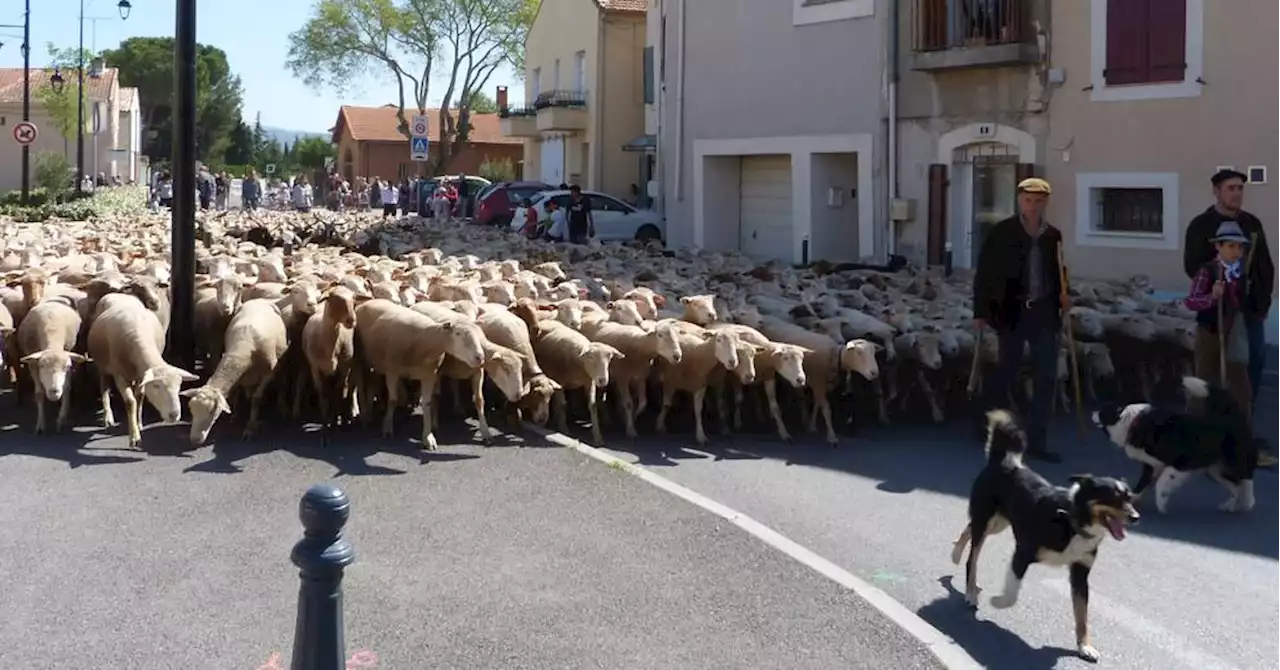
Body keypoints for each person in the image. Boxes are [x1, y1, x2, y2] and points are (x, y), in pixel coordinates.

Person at [1184, 168, 1276, 466]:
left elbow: (1265, 267)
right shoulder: (1202, 225)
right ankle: (1198, 439)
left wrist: (1260, 306)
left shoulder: (1251, 224)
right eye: (1231, 188)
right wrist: (1214, 290)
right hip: (1214, 314)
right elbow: (1192, 266)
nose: (1236, 193)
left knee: (1248, 371)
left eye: (1240, 188)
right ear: (1216, 191)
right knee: (1206, 376)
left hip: (1246, 314)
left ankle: (1240, 436)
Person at [972, 177, 1066, 463]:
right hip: (1010, 311)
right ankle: (994, 430)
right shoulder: (1002, 232)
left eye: (1038, 201)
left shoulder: (1053, 236)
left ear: (1046, 202)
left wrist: (1065, 294)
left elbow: (1060, 271)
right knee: (1006, 372)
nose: (1033, 206)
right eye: (1028, 200)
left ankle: (1037, 441)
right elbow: (985, 273)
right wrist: (980, 311)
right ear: (1019, 201)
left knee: (1047, 375)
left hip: (1044, 312)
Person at [1184, 221, 1255, 417]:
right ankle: (1194, 428)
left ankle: (1240, 432)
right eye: (1231, 246)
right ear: (1218, 246)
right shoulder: (1208, 271)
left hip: (1232, 333)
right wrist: (1212, 297)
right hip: (1209, 333)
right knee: (1203, 383)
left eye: (1239, 246)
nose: (1236, 251)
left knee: (1240, 386)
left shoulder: (1239, 274)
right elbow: (1191, 301)